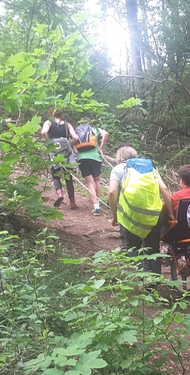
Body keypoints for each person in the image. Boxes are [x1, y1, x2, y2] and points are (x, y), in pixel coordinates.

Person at [108, 145, 174, 275]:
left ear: (118, 159)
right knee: (153, 249)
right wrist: (170, 212)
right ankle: (154, 284)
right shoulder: (150, 168)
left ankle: (143, 279)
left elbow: (111, 192)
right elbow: (165, 190)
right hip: (153, 215)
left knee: (134, 247)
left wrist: (115, 215)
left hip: (130, 215)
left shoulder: (118, 169)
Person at [41, 110, 79, 209]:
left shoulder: (48, 122)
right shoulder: (67, 124)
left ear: (51, 114)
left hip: (54, 151)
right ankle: (72, 203)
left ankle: (59, 195)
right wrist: (69, 146)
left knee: (55, 175)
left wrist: (47, 143)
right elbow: (75, 137)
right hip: (66, 152)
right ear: (61, 115)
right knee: (68, 177)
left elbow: (43, 132)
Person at [73, 118, 108, 216]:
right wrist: (100, 148)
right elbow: (105, 134)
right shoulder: (94, 129)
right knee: (97, 180)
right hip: (95, 157)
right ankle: (98, 202)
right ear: (89, 123)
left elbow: (74, 140)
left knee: (89, 182)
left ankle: (95, 206)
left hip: (82, 158)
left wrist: (75, 151)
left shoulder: (77, 130)